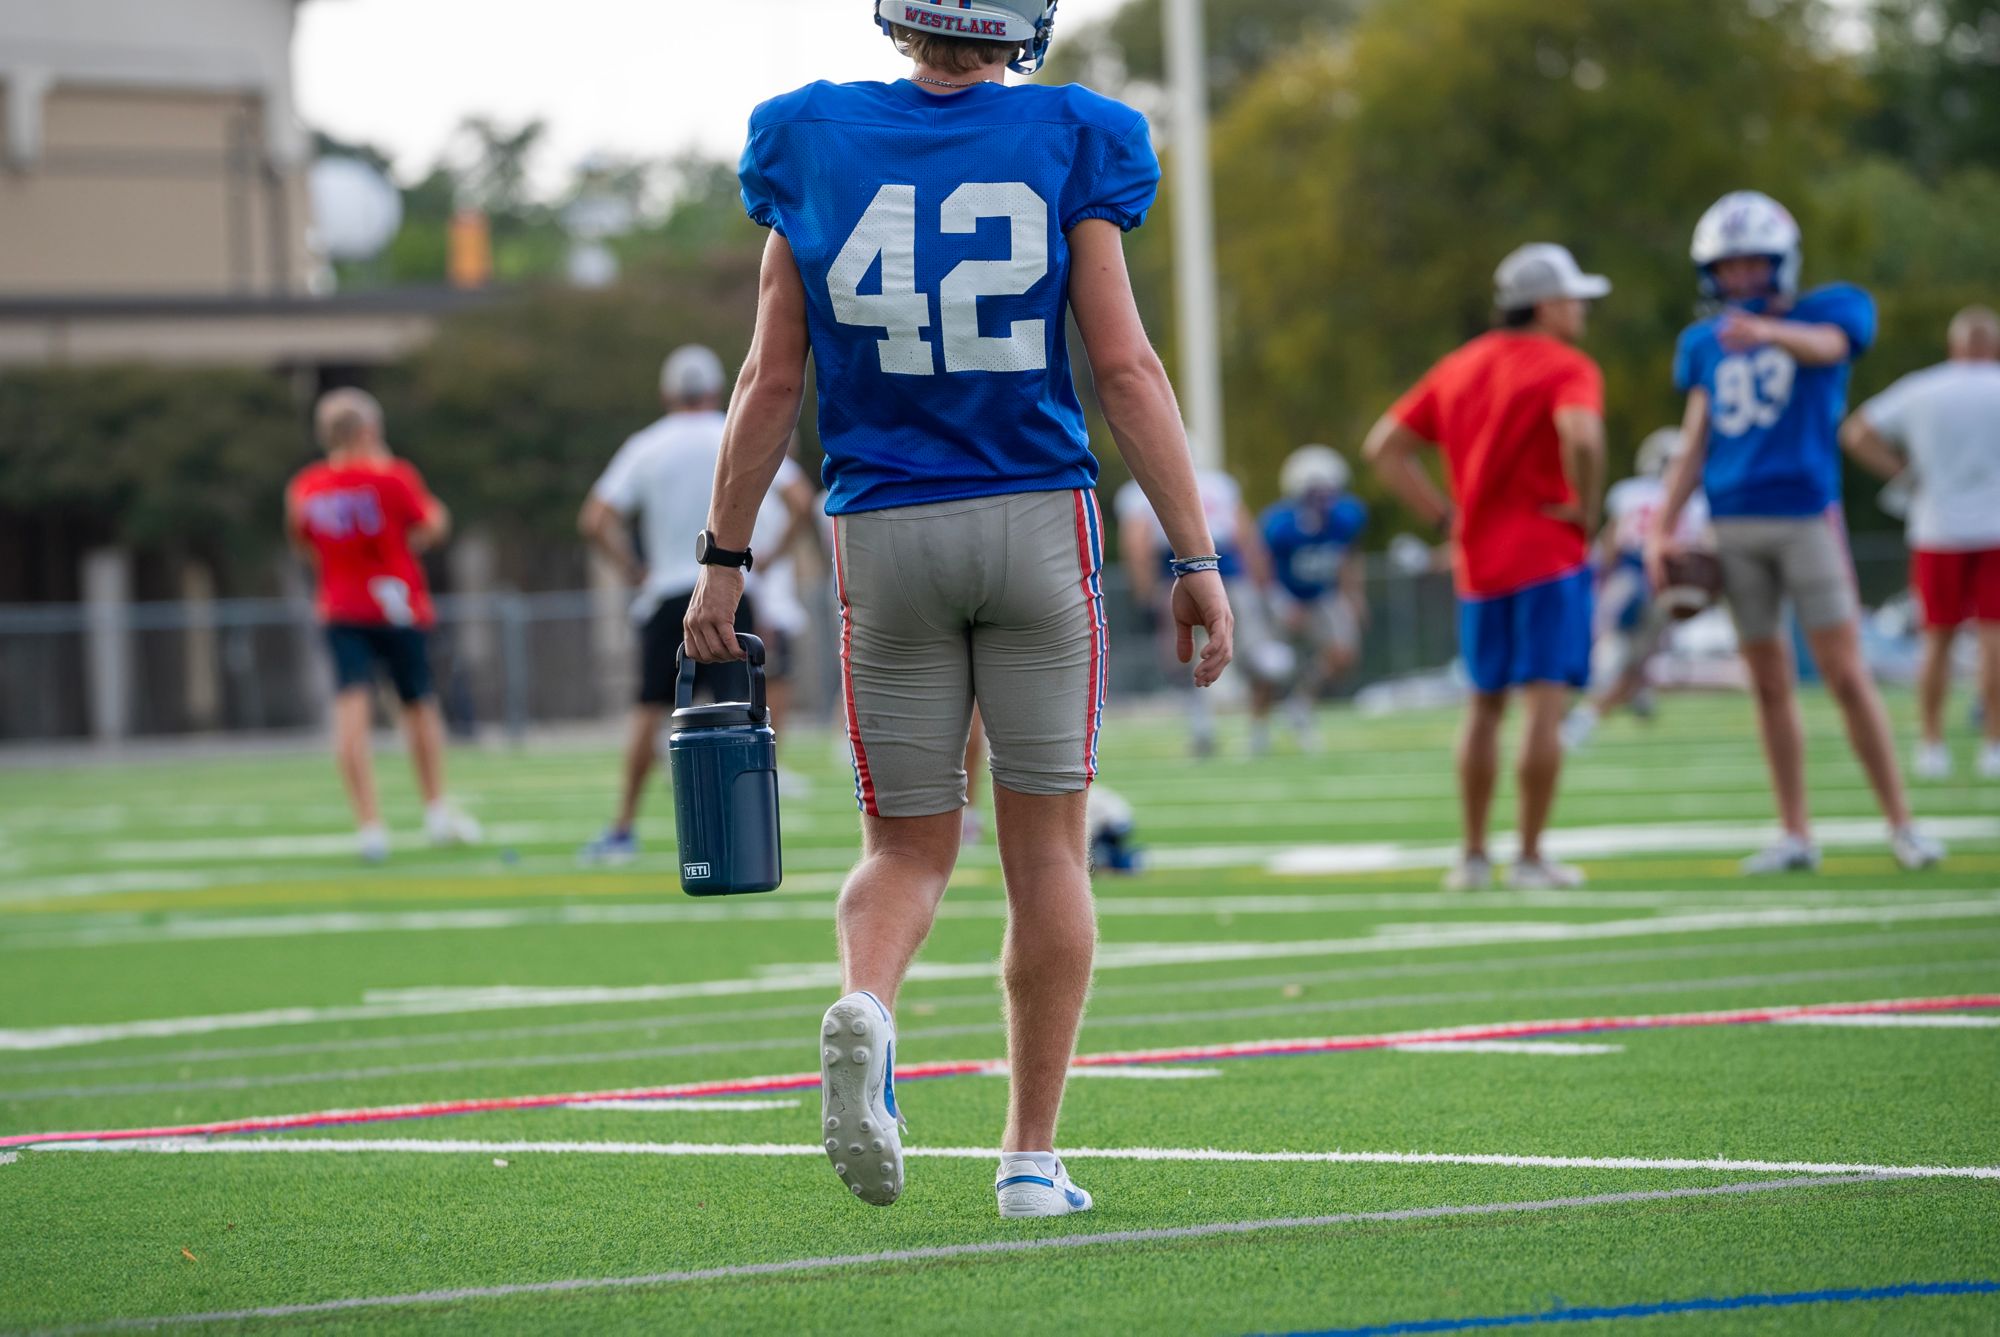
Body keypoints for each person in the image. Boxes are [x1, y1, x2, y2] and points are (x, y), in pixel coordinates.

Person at [682, 0, 1233, 1220]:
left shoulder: (808, 134)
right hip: (1036, 517)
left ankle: (867, 1006)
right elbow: (1126, 368)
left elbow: (773, 378)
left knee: (903, 845)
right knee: (1046, 850)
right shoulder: (1072, 134)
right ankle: (1029, 1159)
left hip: (880, 527)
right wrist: (1195, 554)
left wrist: (721, 559)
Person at [1648, 191, 1943, 873]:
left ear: (1781, 262)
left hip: (1806, 514)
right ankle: (1794, 832)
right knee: (1769, 681)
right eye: (1730, 267)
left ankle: (1902, 824)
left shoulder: (1829, 309)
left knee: (1845, 671)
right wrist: (1662, 526)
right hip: (1732, 519)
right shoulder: (1704, 342)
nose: (1741, 279)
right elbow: (1696, 437)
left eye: (1754, 264)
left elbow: (1832, 347)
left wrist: (1771, 332)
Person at [1365, 243, 1609, 892]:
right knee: (1543, 707)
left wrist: (1444, 517)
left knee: (1483, 707)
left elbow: (1383, 448)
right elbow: (1582, 436)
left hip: (1479, 563)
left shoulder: (1460, 365)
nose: (1581, 309)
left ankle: (1472, 856)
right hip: (1549, 554)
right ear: (1548, 304)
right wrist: (1586, 504)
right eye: (1574, 298)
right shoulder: (1568, 365)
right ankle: (1529, 856)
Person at [577, 346, 758, 865]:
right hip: (729, 587)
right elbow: (794, 500)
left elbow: (596, 519)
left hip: (668, 595)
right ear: (717, 389)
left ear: (666, 393)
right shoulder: (734, 431)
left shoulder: (647, 445)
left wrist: (637, 571)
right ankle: (742, 830)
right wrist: (763, 561)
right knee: (740, 713)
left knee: (648, 710)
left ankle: (622, 828)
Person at [285, 388, 482, 863]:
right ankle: (435, 809)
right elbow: (433, 525)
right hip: (397, 605)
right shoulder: (393, 476)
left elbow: (304, 544)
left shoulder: (305, 488)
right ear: (370, 430)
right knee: (418, 705)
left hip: (340, 606)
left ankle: (369, 825)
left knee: (351, 710)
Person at [1841, 304, 2000, 781]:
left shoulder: (1922, 388)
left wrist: (1905, 477)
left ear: (1954, 346)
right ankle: (1994, 744)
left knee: (1937, 640)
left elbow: (1855, 432)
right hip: (1995, 529)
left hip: (1936, 529)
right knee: (1994, 639)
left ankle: (1932, 743)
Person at [1561, 427, 1711, 749]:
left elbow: (1609, 547)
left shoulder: (1628, 493)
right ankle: (1585, 718)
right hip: (1659, 586)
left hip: (1623, 582)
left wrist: (1597, 581)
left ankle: (1636, 694)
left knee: (1616, 652)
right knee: (1630, 662)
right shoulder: (1694, 502)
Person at [1116, 466, 1278, 755]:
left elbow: (1137, 544)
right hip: (1230, 577)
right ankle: (1256, 731)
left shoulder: (1137, 493)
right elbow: (1247, 537)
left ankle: (1203, 728)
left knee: (1183, 657)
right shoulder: (1219, 483)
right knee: (1251, 655)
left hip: (1179, 578)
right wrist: (1262, 585)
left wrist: (1145, 593)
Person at [1257, 444, 1369, 750]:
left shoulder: (1345, 517)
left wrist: (1354, 596)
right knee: (1269, 665)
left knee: (1344, 653)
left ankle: (1299, 704)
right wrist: (1279, 602)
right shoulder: (1279, 524)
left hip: (1323, 595)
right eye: (1314, 491)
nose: (1322, 499)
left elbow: (1347, 558)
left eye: (1327, 490)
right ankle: (1259, 731)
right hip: (1284, 595)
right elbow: (1262, 567)